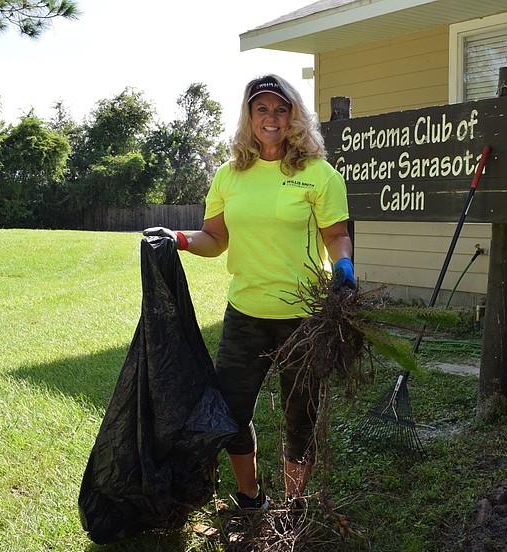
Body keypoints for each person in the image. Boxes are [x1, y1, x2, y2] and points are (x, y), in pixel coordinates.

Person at [144, 74, 354, 511]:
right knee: (231, 413)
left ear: (294, 116)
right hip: (245, 314)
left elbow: (336, 235)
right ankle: (250, 497)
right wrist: (179, 239)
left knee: (301, 416)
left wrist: (344, 265)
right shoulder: (229, 176)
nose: (271, 117)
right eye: (261, 109)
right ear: (249, 116)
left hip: (304, 318)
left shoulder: (319, 174)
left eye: (280, 109)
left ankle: (293, 506)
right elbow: (214, 238)